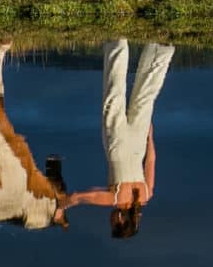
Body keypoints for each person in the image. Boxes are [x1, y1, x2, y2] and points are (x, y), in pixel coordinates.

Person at [68, 38, 173, 238]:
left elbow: (151, 160)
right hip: (117, 145)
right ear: (120, 220)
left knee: (146, 96)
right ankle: (118, 43)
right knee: (113, 96)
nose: (110, 220)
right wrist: (67, 203)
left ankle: (160, 48)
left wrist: (149, 136)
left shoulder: (146, 195)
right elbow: (86, 196)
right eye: (112, 224)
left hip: (138, 143)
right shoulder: (116, 200)